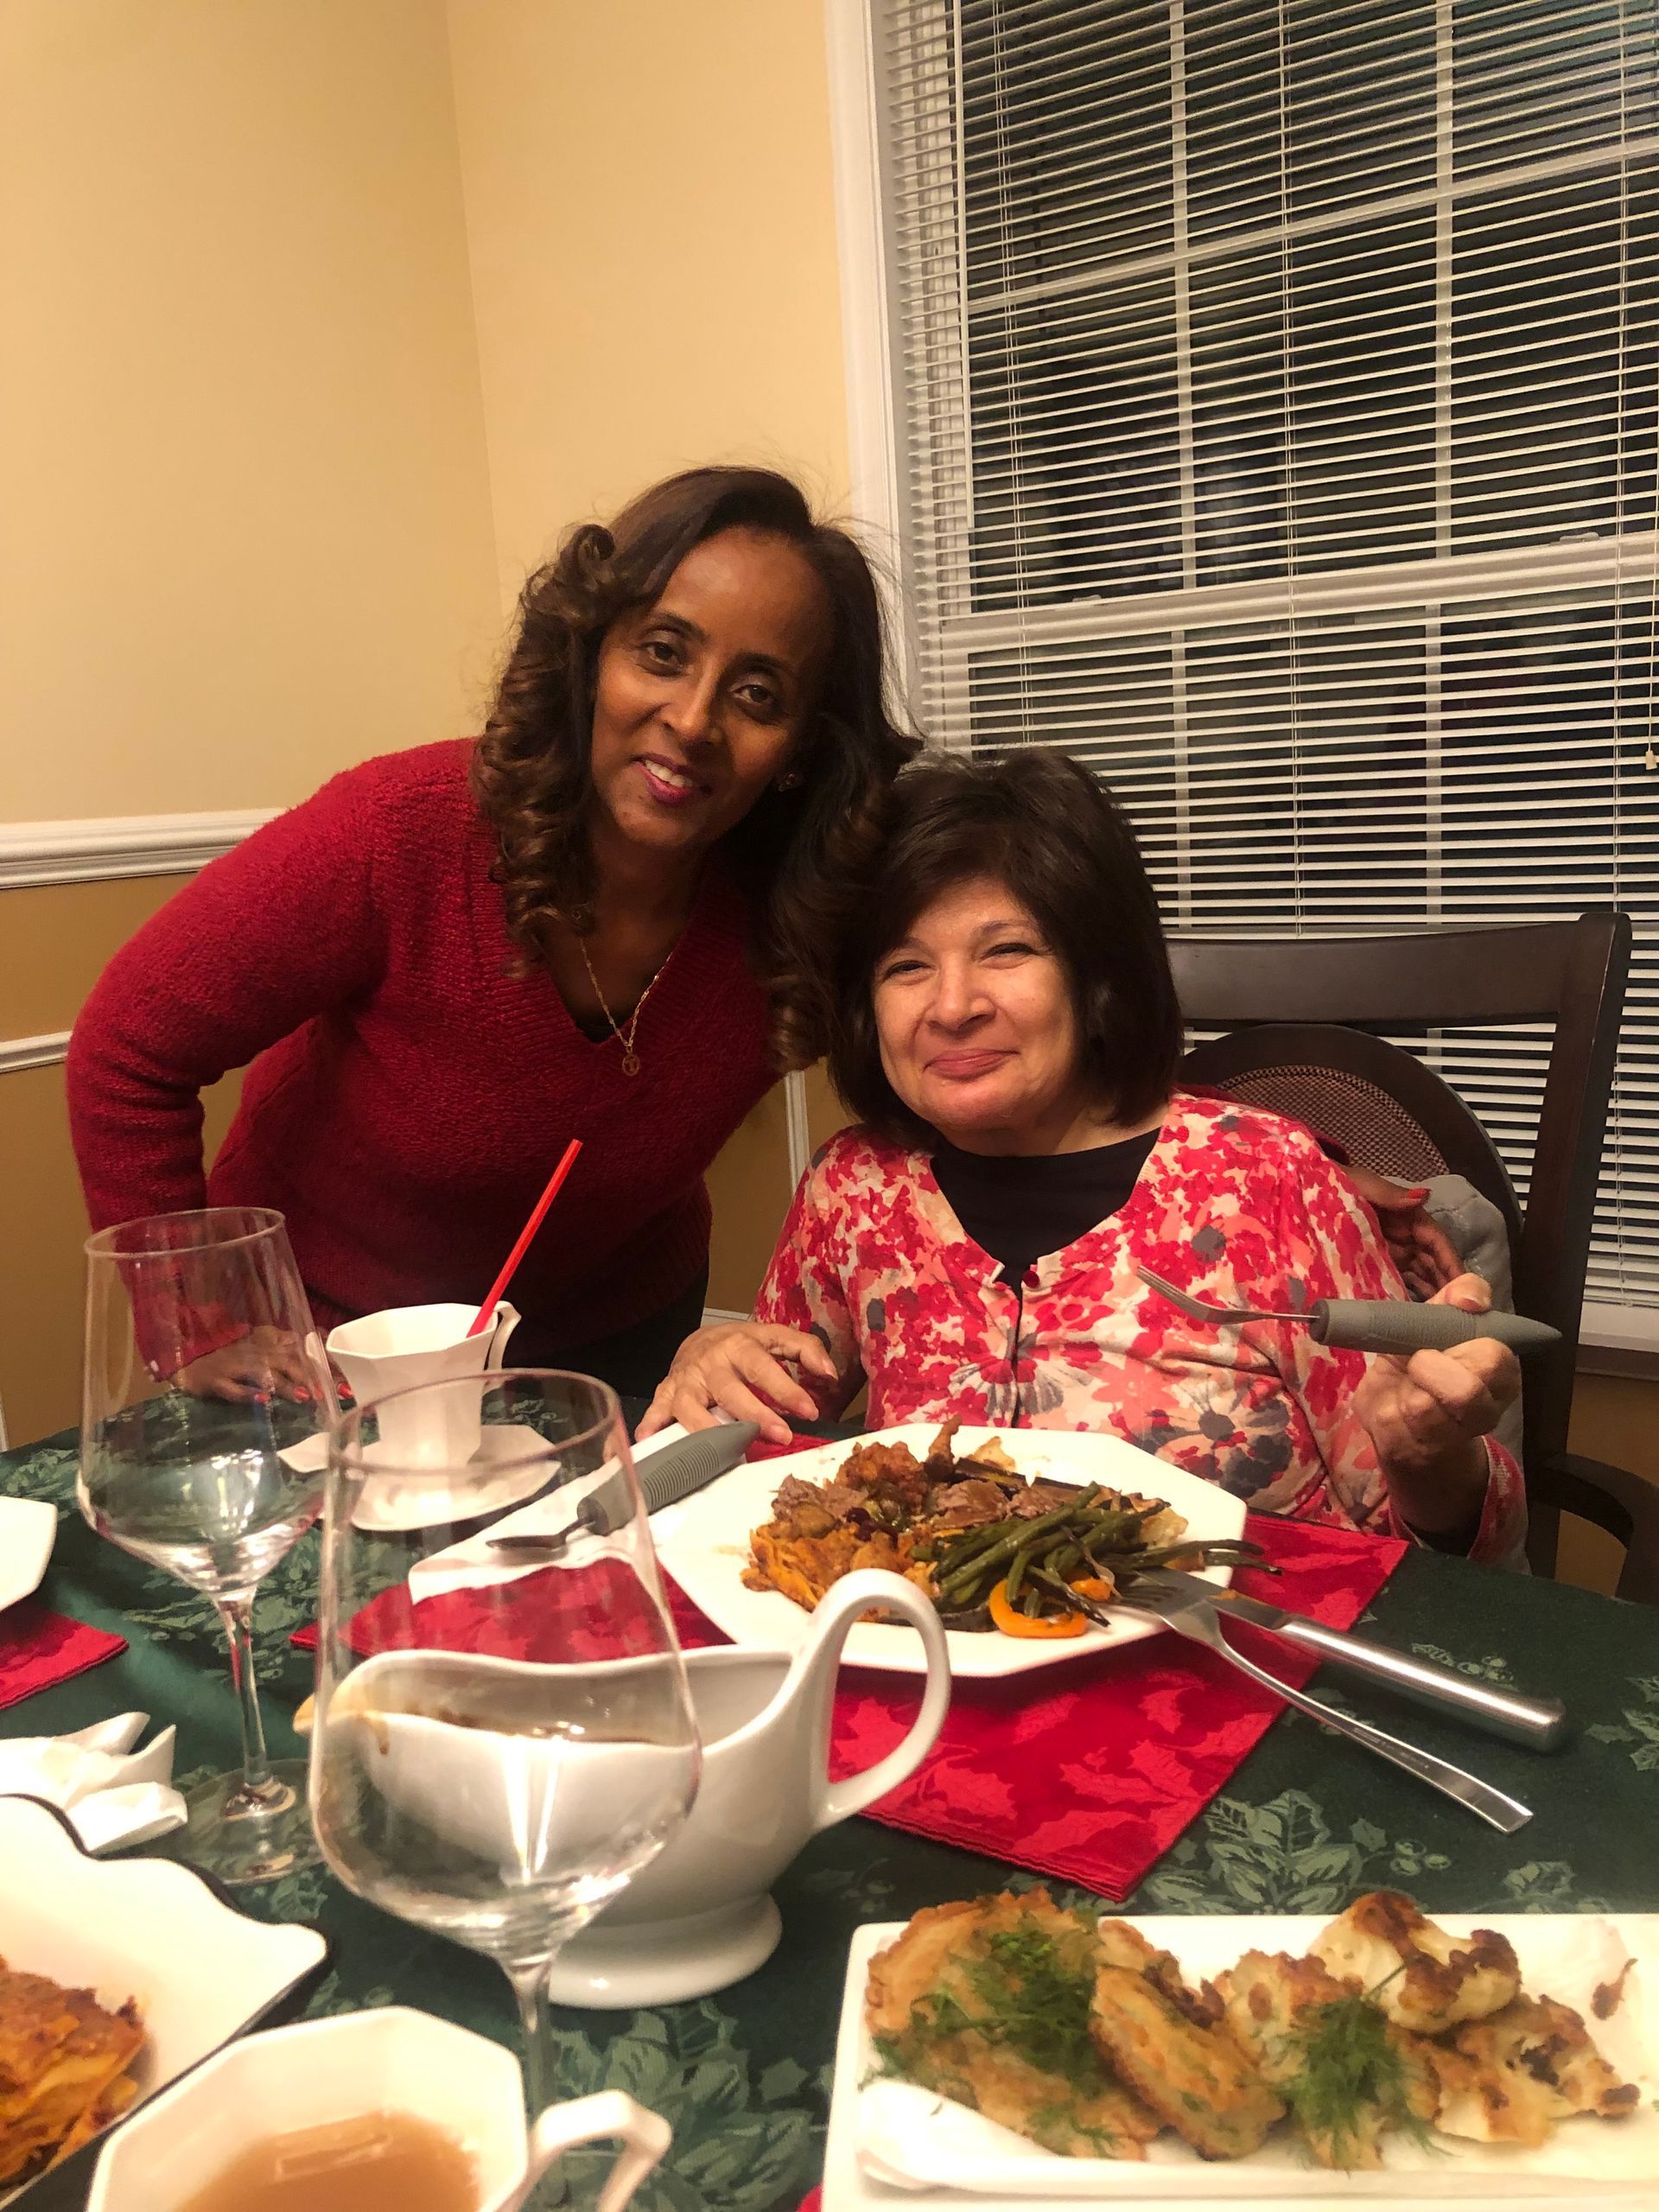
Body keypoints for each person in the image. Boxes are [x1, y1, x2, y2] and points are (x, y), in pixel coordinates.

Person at [67, 467, 916, 1400]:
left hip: (620, 1336)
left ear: (802, 748)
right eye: (663, 652)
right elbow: (128, 1047)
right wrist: (193, 1325)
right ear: (589, 657)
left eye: (757, 694)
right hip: (336, 1349)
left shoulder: (805, 906)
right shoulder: (400, 830)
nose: (693, 719)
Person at [642, 749, 1527, 1567]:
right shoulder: (855, 1187)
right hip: (932, 1660)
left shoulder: (1268, 1179)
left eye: (1007, 950)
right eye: (906, 966)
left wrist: (1432, 1466)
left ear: (1097, 978)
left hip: (1242, 1654)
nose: (951, 1006)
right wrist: (710, 1369)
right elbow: (771, 1450)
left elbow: (1465, 1560)